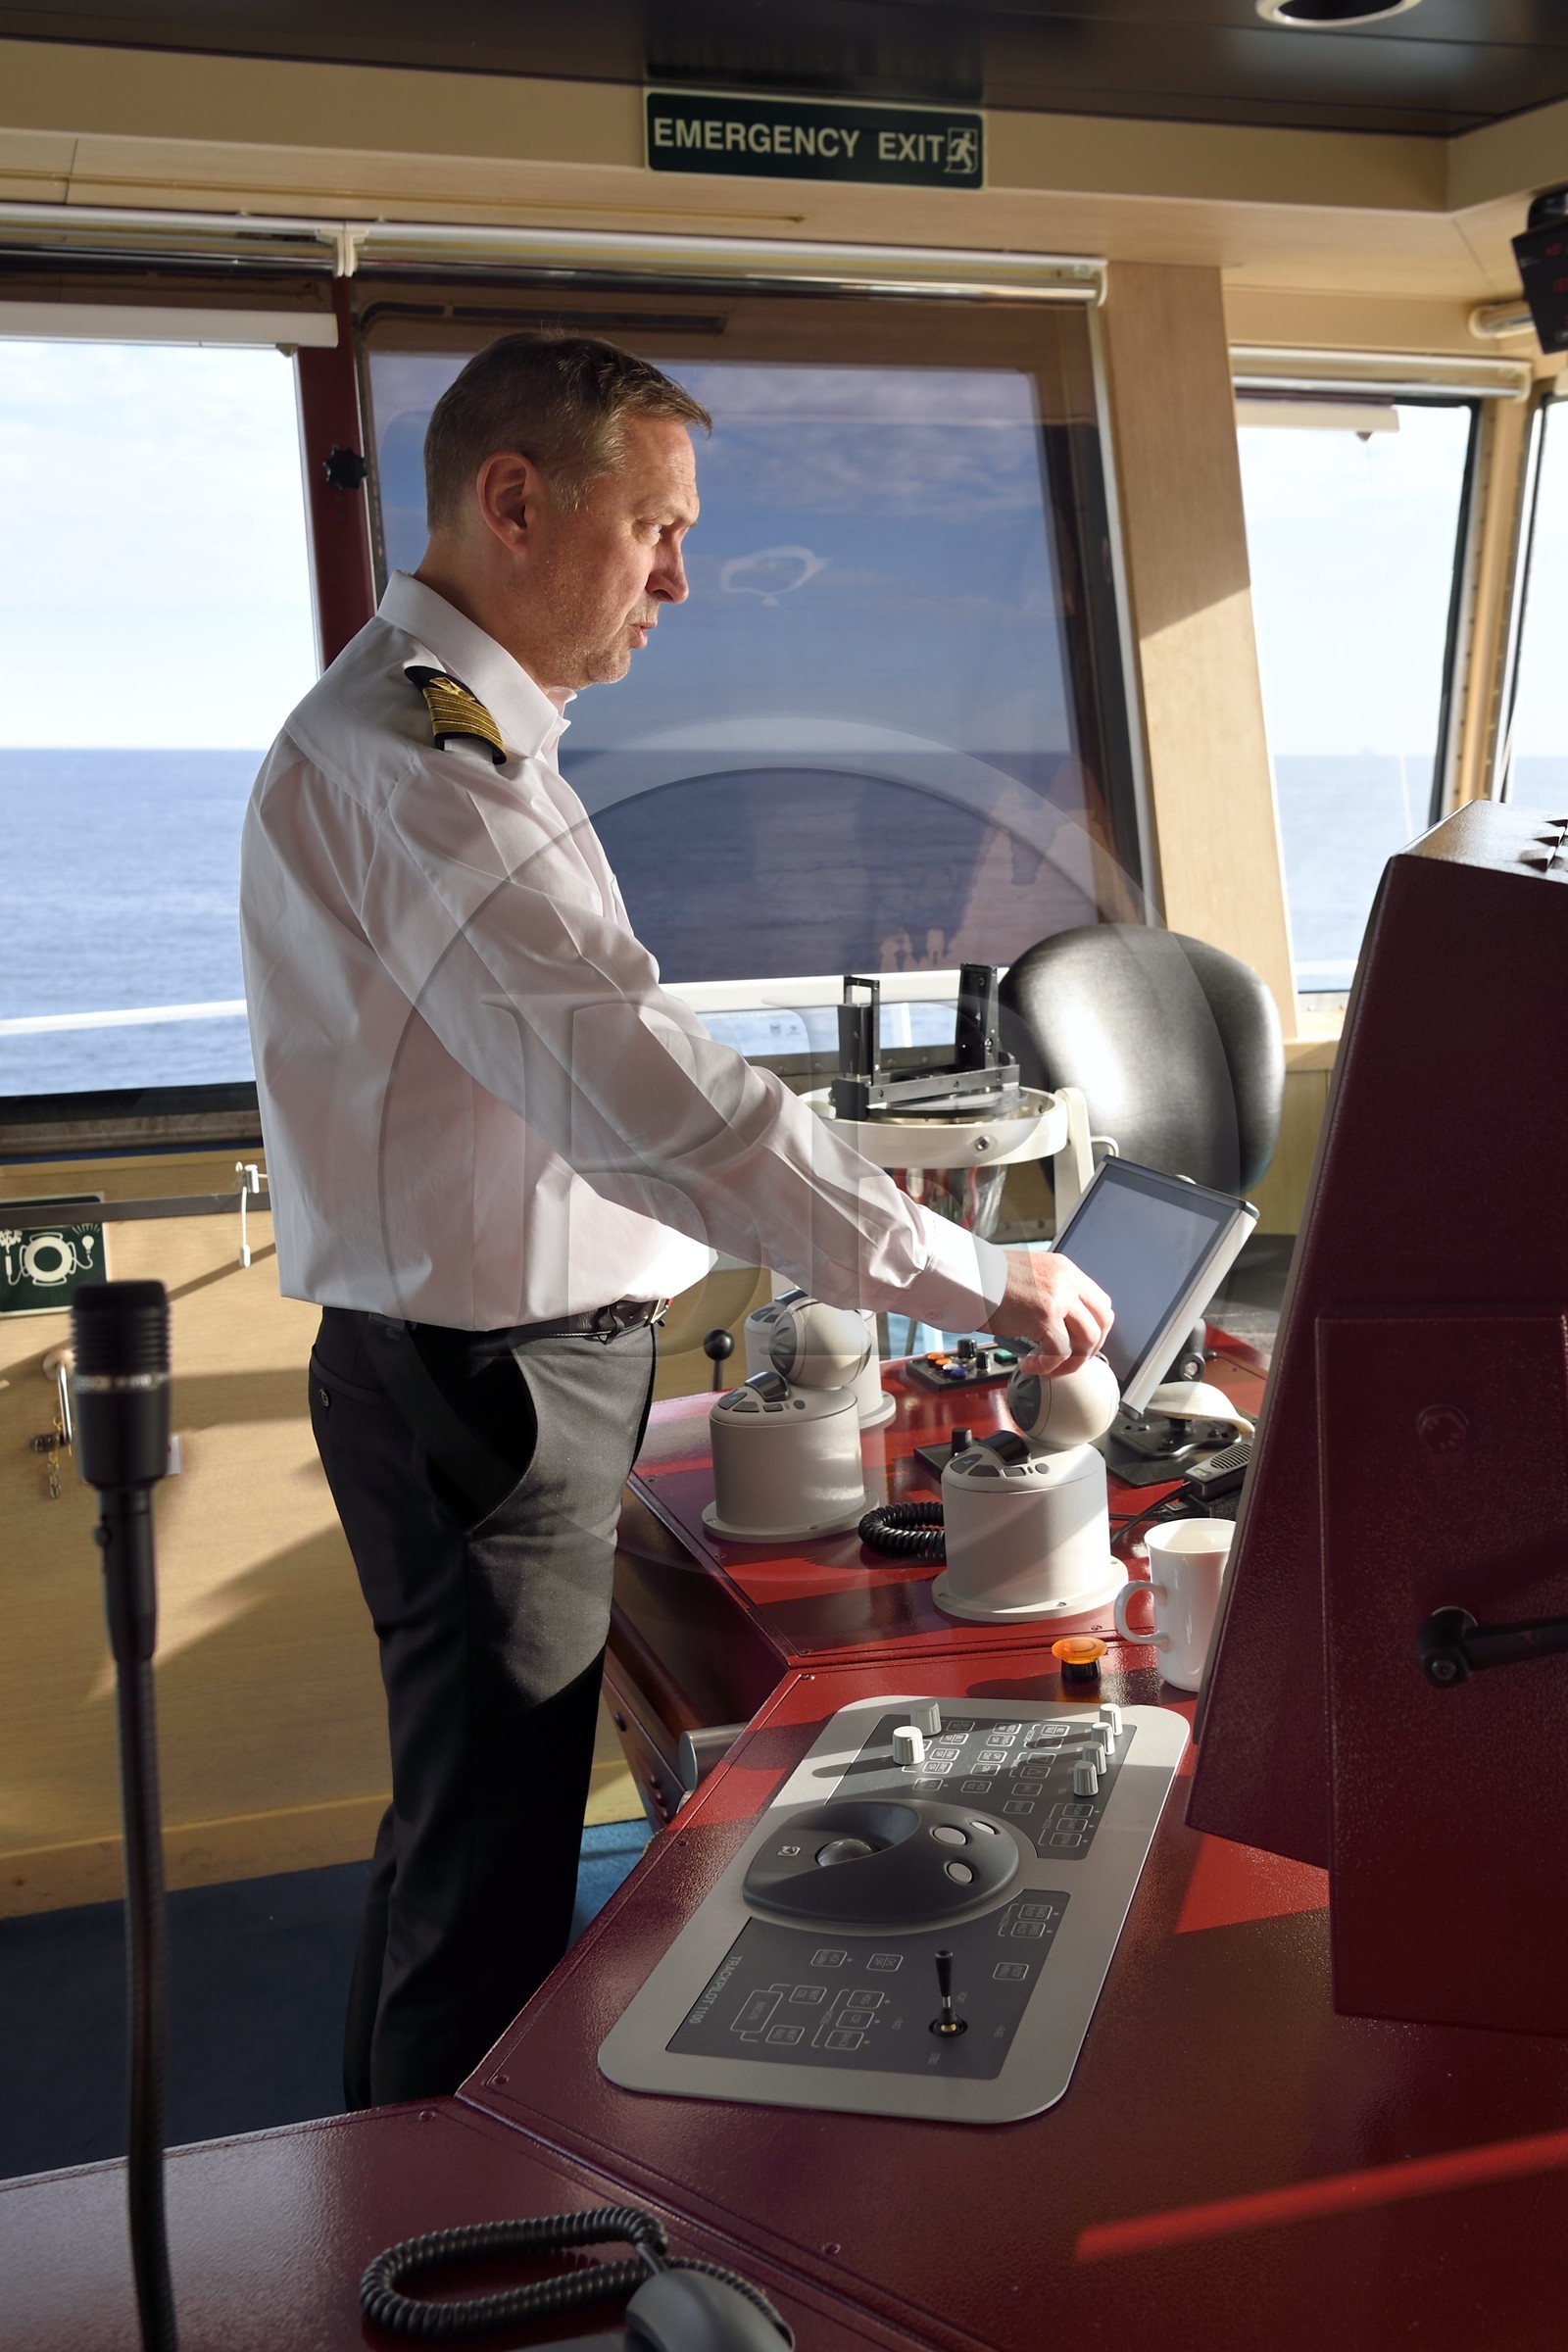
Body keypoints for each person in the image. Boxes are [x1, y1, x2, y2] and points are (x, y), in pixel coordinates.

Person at [239, 331, 1112, 2110]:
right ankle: (428, 2245)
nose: (682, 580)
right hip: (487, 1388)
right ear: (514, 503)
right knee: (483, 1878)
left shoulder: (463, 735)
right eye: (654, 527)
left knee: (461, 1841)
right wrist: (970, 1271)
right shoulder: (426, 758)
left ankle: (382, 2207)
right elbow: (639, 1094)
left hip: (493, 1369)